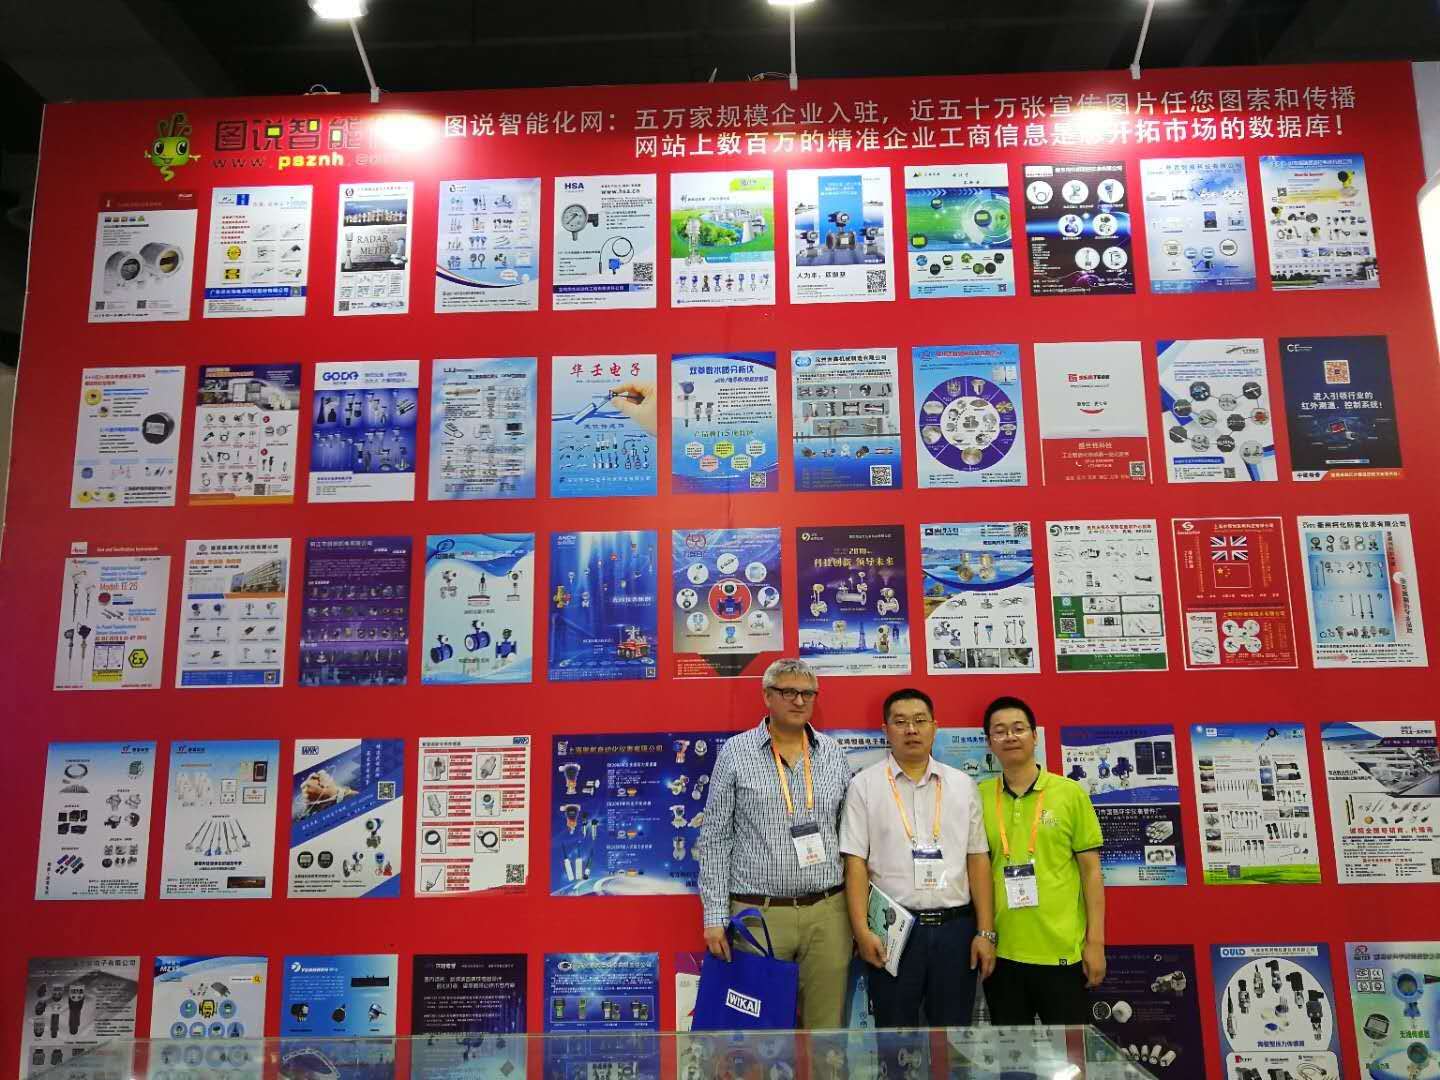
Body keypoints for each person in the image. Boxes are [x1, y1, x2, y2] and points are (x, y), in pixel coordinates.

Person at [697, 657, 854, 1028]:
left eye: (807, 694)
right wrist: (715, 916)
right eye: (788, 692)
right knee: (757, 1037)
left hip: (827, 913)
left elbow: (850, 835)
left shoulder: (833, 753)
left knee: (826, 1034)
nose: (799, 701)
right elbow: (715, 838)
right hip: (759, 916)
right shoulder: (736, 752)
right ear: (767, 696)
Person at [840, 687, 996, 1027]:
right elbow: (855, 864)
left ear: (934, 727)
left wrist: (985, 932)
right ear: (885, 730)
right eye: (900, 722)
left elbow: (978, 859)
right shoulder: (864, 786)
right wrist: (862, 931)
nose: (911, 729)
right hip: (893, 931)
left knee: (952, 1037)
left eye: (920, 720)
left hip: (956, 931)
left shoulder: (962, 785)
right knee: (894, 1037)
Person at [977, 696, 1106, 1026]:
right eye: (1000, 731)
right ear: (989, 742)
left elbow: (1092, 873)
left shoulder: (1070, 793)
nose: (1010, 736)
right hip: (1003, 954)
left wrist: (1095, 943)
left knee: (1070, 1052)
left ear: (1035, 736)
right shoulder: (978, 796)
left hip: (1062, 952)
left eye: (1018, 728)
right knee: (1012, 1052)